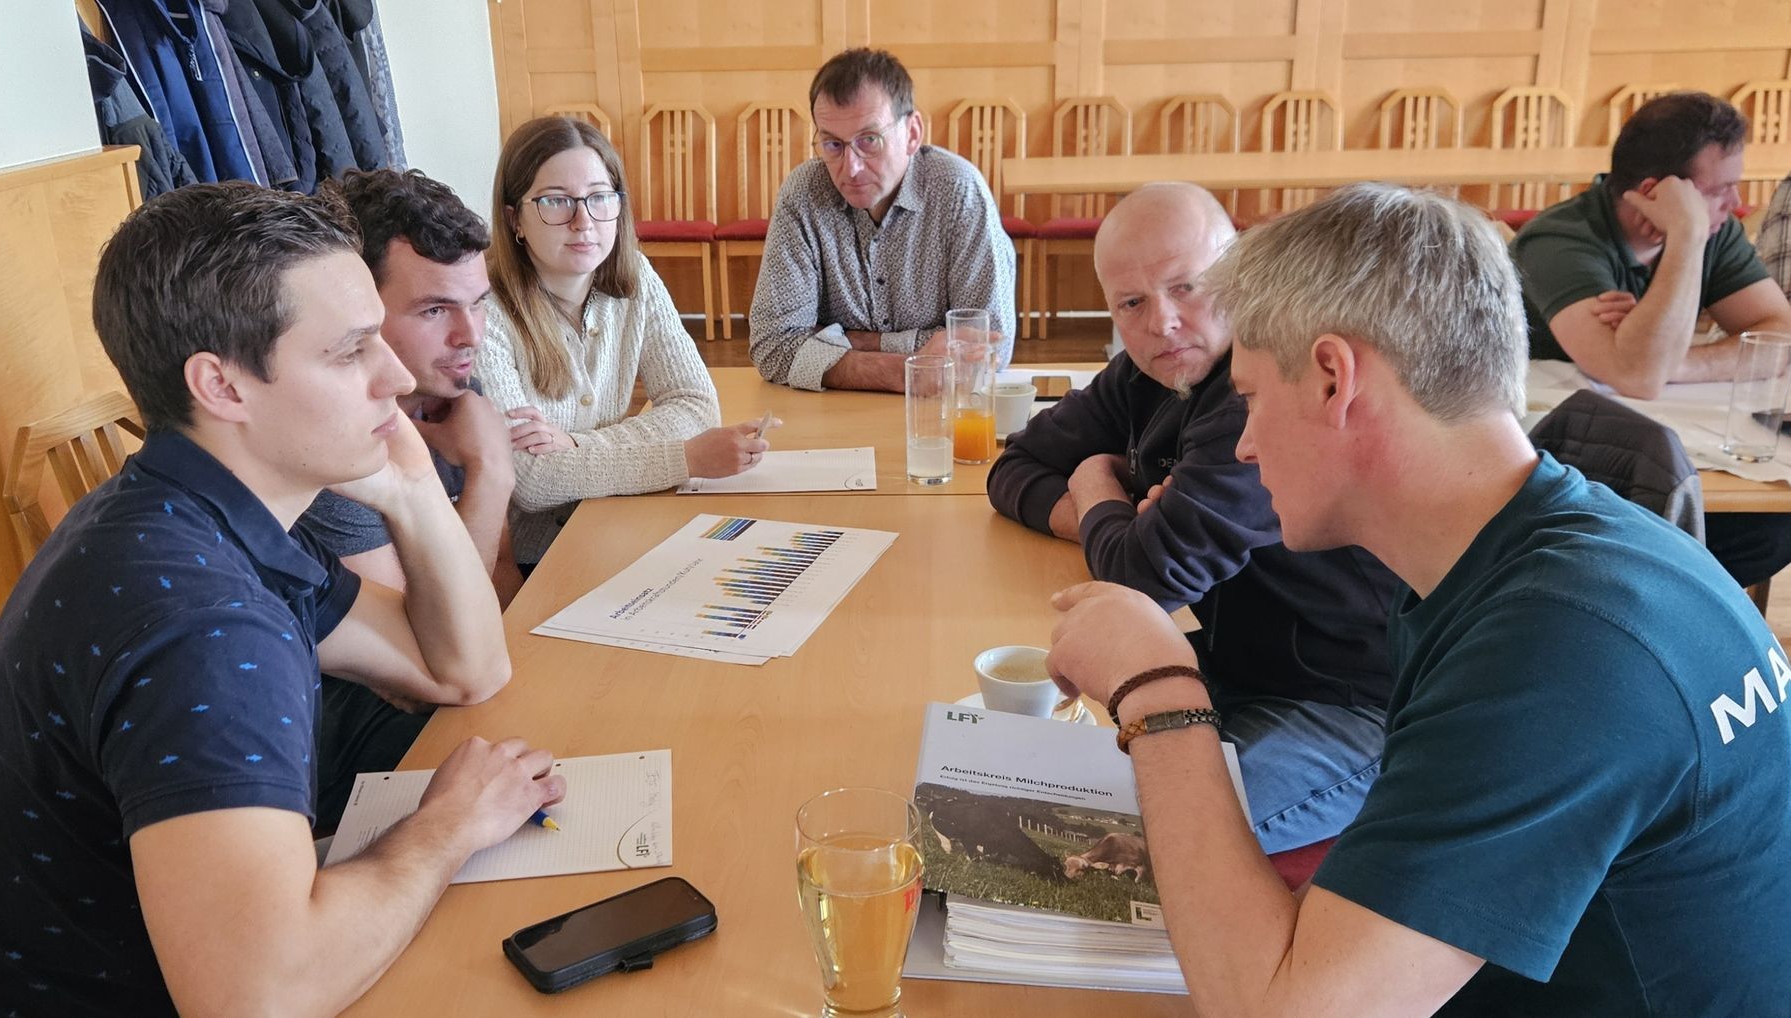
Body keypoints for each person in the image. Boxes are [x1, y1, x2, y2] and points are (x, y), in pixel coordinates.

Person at [1047, 183, 1791, 1016]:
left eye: (1251, 399)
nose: (1246, 443)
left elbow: (1286, 1012)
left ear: (1334, 379)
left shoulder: (1557, 652)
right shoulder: (1555, 552)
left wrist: (1161, 690)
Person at [0, 182, 563, 1015]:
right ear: (222, 387)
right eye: (350, 351)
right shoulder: (203, 623)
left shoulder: (194, 513)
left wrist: (411, 491)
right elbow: (259, 997)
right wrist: (448, 827)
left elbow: (465, 671)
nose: (396, 375)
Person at [988, 182, 1397, 853]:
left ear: (1239, 273)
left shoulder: (1264, 389)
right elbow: (1016, 466)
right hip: (1234, 667)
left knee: (1132, 847)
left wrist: (1095, 485)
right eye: (1132, 303)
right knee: (1027, 783)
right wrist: (1116, 514)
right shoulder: (1150, 375)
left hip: (1347, 703)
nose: (1163, 322)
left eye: (1187, 287)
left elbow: (1145, 579)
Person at [296, 167, 524, 830]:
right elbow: (431, 667)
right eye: (434, 310)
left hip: (450, 708)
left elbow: (502, 592)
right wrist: (490, 475)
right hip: (351, 772)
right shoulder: (335, 451)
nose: (471, 335)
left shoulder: (452, 394)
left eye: (478, 303)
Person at [1511, 90, 1791, 590]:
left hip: (1675, 458)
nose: (1736, 204)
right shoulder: (1560, 240)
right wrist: (1685, 234)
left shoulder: (1718, 233)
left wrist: (1676, 359)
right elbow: (1638, 376)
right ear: (1656, 192)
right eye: (1719, 190)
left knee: (1775, 527)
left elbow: (1780, 334)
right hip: (1569, 479)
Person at [480, 116, 771, 568]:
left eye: (599, 197)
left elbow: (696, 406)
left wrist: (576, 446)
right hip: (531, 563)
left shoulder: (635, 277)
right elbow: (530, 483)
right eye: (556, 201)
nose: (583, 221)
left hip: (621, 521)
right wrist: (682, 459)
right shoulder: (484, 311)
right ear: (514, 218)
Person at [748, 47, 1017, 392]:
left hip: (942, 415)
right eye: (832, 144)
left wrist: (852, 342)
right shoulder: (804, 193)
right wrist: (911, 368)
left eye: (869, 140)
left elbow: (989, 347)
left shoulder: (959, 191)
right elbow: (773, 346)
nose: (851, 167)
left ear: (913, 133)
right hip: (834, 414)